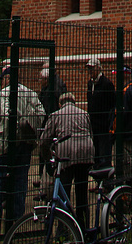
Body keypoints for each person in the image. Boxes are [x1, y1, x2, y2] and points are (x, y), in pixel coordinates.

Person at [0, 66, 44, 222]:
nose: (2, 81)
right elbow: (41, 113)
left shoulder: (4, 93)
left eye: (3, 78)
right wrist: (28, 124)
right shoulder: (29, 92)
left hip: (7, 141)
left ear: (8, 78)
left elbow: (6, 114)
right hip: (25, 143)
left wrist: (17, 128)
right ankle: (17, 214)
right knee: (20, 177)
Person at [40, 92, 94, 235]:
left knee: (64, 193)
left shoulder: (56, 115)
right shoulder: (84, 114)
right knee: (82, 193)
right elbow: (90, 134)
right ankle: (84, 229)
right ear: (74, 102)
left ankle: (63, 229)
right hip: (85, 154)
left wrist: (47, 159)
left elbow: (44, 140)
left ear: (60, 103)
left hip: (66, 155)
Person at [114, 66, 132, 187]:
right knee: (131, 168)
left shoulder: (126, 91)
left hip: (124, 136)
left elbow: (122, 114)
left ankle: (126, 201)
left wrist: (114, 130)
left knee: (125, 169)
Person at [86, 57, 115, 168]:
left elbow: (112, 105)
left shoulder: (106, 84)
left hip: (103, 126)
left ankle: (106, 179)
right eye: (89, 69)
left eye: (92, 68)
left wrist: (109, 123)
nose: (90, 71)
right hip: (94, 126)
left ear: (99, 68)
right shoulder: (90, 84)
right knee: (96, 155)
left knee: (104, 155)